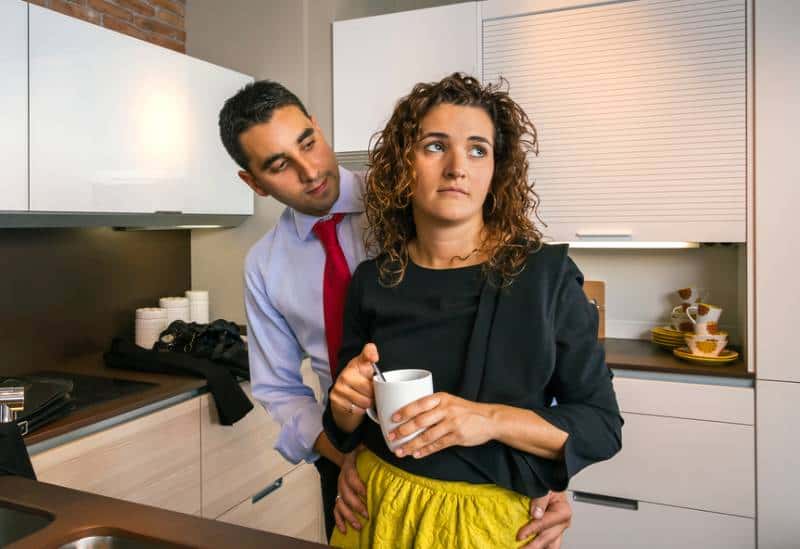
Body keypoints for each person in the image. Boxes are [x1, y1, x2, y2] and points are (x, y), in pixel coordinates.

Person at [218, 80, 574, 544]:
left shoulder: (417, 191)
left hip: (488, 468)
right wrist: (343, 456)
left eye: (308, 142)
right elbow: (280, 390)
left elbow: (523, 329)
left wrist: (547, 465)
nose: (310, 170)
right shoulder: (265, 266)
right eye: (279, 164)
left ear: (318, 128)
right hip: (352, 460)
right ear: (253, 183)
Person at [324, 73, 623, 549]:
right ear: (404, 164)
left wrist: (489, 420)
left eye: (478, 150)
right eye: (435, 146)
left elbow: (601, 425)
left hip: (491, 525)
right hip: (375, 511)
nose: (457, 168)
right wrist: (343, 405)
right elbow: (349, 426)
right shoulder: (371, 281)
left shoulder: (546, 277)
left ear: (496, 171)